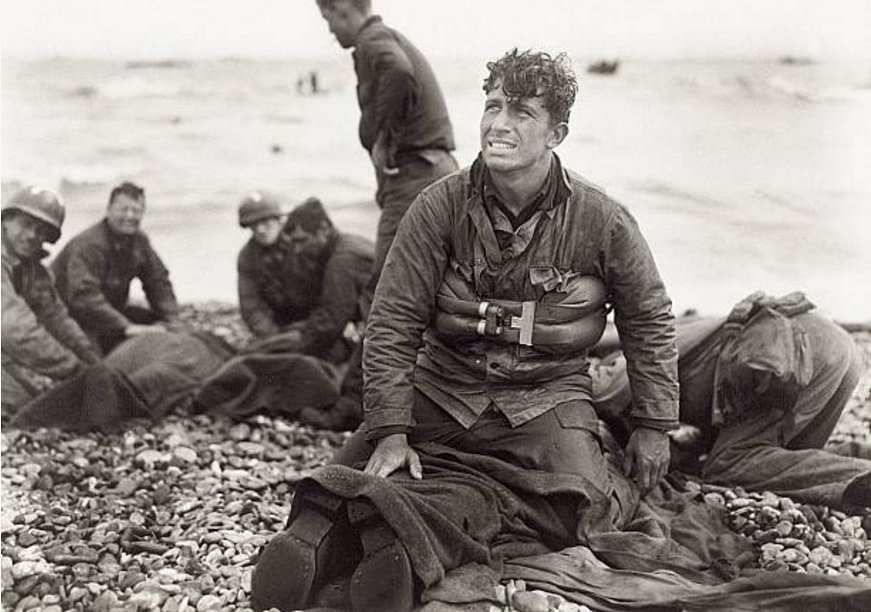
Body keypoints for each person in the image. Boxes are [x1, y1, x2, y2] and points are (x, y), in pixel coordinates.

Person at [252, 49, 680, 612]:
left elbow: (648, 317)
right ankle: (324, 543)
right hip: (443, 389)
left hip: (544, 401)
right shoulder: (437, 207)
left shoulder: (602, 220)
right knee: (351, 471)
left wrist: (653, 422)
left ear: (557, 132)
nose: (499, 124)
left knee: (581, 509)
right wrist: (390, 429)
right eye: (493, 105)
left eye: (522, 112)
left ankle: (396, 534)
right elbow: (392, 321)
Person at [591, 292, 871, 509]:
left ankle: (856, 474)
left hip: (784, 353)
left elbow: (599, 389)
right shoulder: (681, 336)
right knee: (787, 460)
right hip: (837, 348)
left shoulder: (630, 364)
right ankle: (860, 456)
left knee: (729, 462)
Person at [234, 194, 374, 430]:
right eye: (253, 225)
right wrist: (274, 339)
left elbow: (334, 307)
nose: (260, 229)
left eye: (266, 222)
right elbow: (251, 306)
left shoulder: (333, 255)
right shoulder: (250, 257)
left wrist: (304, 341)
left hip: (324, 322)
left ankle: (347, 410)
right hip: (298, 324)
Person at [2, 186, 100, 414]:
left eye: (40, 231)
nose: (31, 236)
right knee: (18, 404)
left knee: (34, 398)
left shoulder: (32, 269)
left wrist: (93, 363)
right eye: (25, 225)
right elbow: (15, 331)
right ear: (6, 220)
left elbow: (56, 318)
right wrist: (73, 368)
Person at [51, 182, 179, 355]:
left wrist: (171, 319)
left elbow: (158, 281)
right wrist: (125, 327)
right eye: (123, 209)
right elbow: (83, 297)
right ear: (109, 209)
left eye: (137, 211)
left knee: (167, 329)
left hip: (108, 311)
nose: (130, 216)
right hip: (69, 315)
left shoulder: (139, 241)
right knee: (93, 364)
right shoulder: (89, 244)